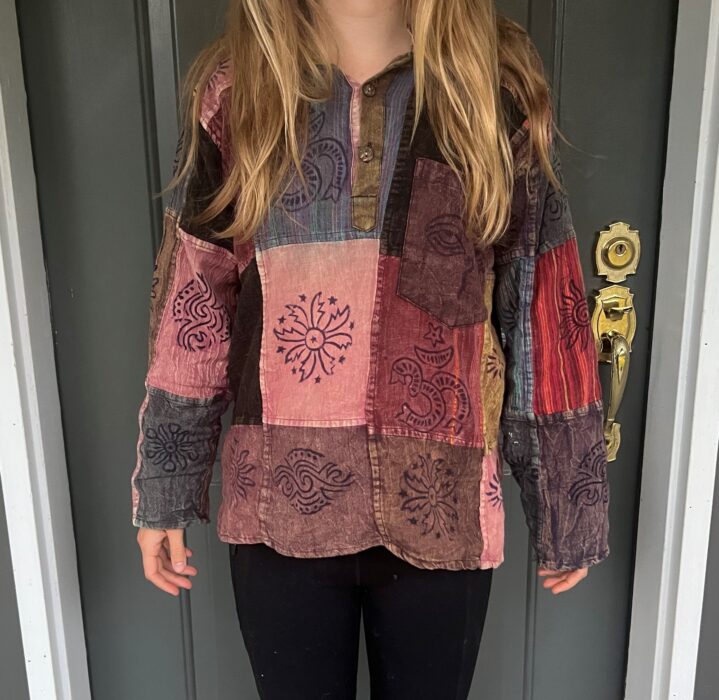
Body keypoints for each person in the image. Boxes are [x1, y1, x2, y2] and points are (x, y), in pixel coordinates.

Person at [131, 1, 611, 697]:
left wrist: (565, 500)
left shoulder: (488, 86)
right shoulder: (238, 92)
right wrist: (165, 490)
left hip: (440, 508)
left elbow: (538, 296)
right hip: (278, 512)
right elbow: (194, 300)